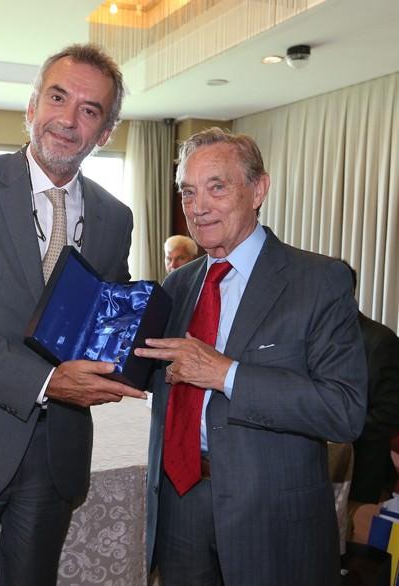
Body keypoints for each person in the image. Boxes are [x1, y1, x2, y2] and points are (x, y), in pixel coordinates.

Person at [0, 43, 146, 586]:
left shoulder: (115, 216)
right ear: (32, 107)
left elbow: (105, 317)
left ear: (105, 133)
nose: (68, 119)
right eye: (57, 98)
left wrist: (140, 348)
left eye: (89, 109)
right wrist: (46, 381)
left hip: (56, 454)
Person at [135, 127, 367, 586]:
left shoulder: (318, 280)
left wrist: (226, 374)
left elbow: (344, 411)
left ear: (258, 190)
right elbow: (164, 379)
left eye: (216, 187)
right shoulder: (178, 284)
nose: (198, 207)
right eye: (188, 192)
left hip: (272, 518)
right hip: (180, 506)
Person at [342, 262, 399, 505]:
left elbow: (390, 413)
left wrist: (339, 431)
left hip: (362, 472)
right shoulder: (315, 337)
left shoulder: (380, 341)